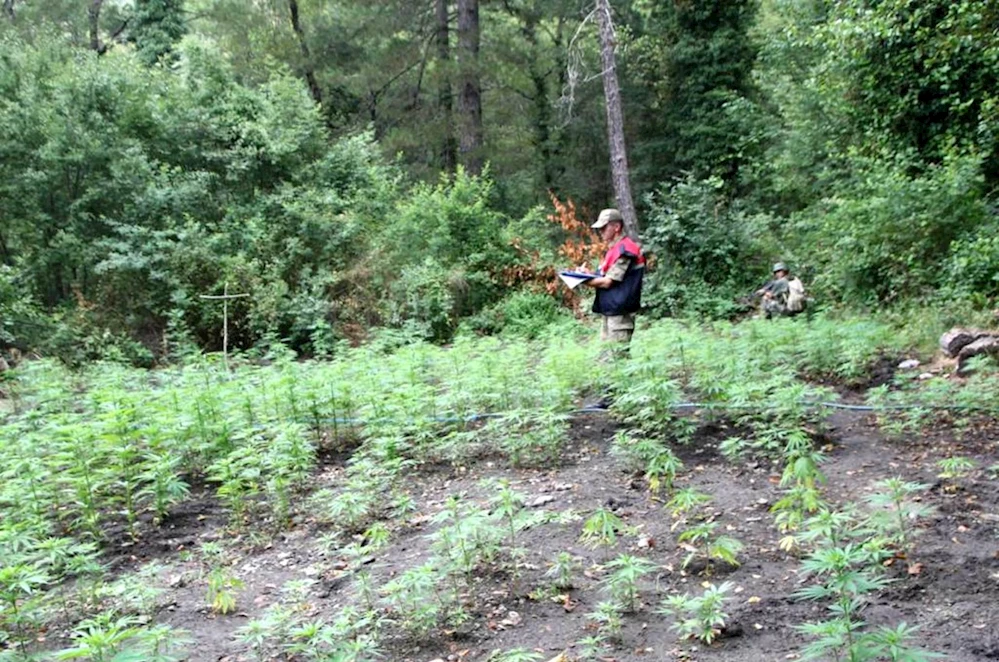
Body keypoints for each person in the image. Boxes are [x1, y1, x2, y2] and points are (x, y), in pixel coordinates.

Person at [582, 208, 645, 347]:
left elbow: (607, 282)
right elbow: (606, 275)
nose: (601, 231)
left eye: (604, 227)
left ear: (616, 227)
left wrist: (583, 281)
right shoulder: (614, 249)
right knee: (608, 359)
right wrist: (587, 274)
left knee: (618, 359)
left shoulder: (626, 250)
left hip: (620, 313)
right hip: (611, 311)